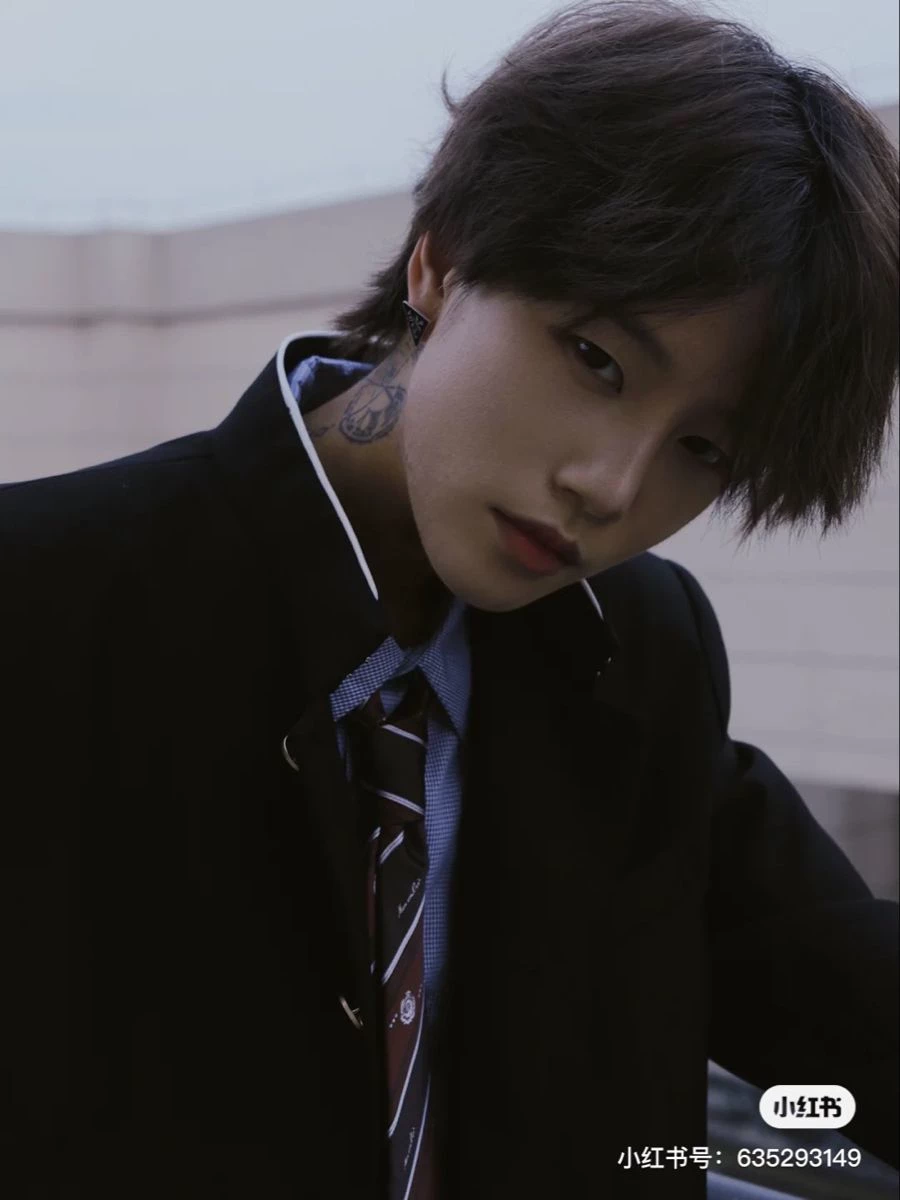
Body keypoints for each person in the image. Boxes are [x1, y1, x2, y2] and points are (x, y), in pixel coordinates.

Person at [1, 1, 897, 1197]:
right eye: (596, 359)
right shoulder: (41, 603)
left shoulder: (640, 647)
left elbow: (837, 992)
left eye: (703, 450)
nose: (611, 486)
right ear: (440, 259)